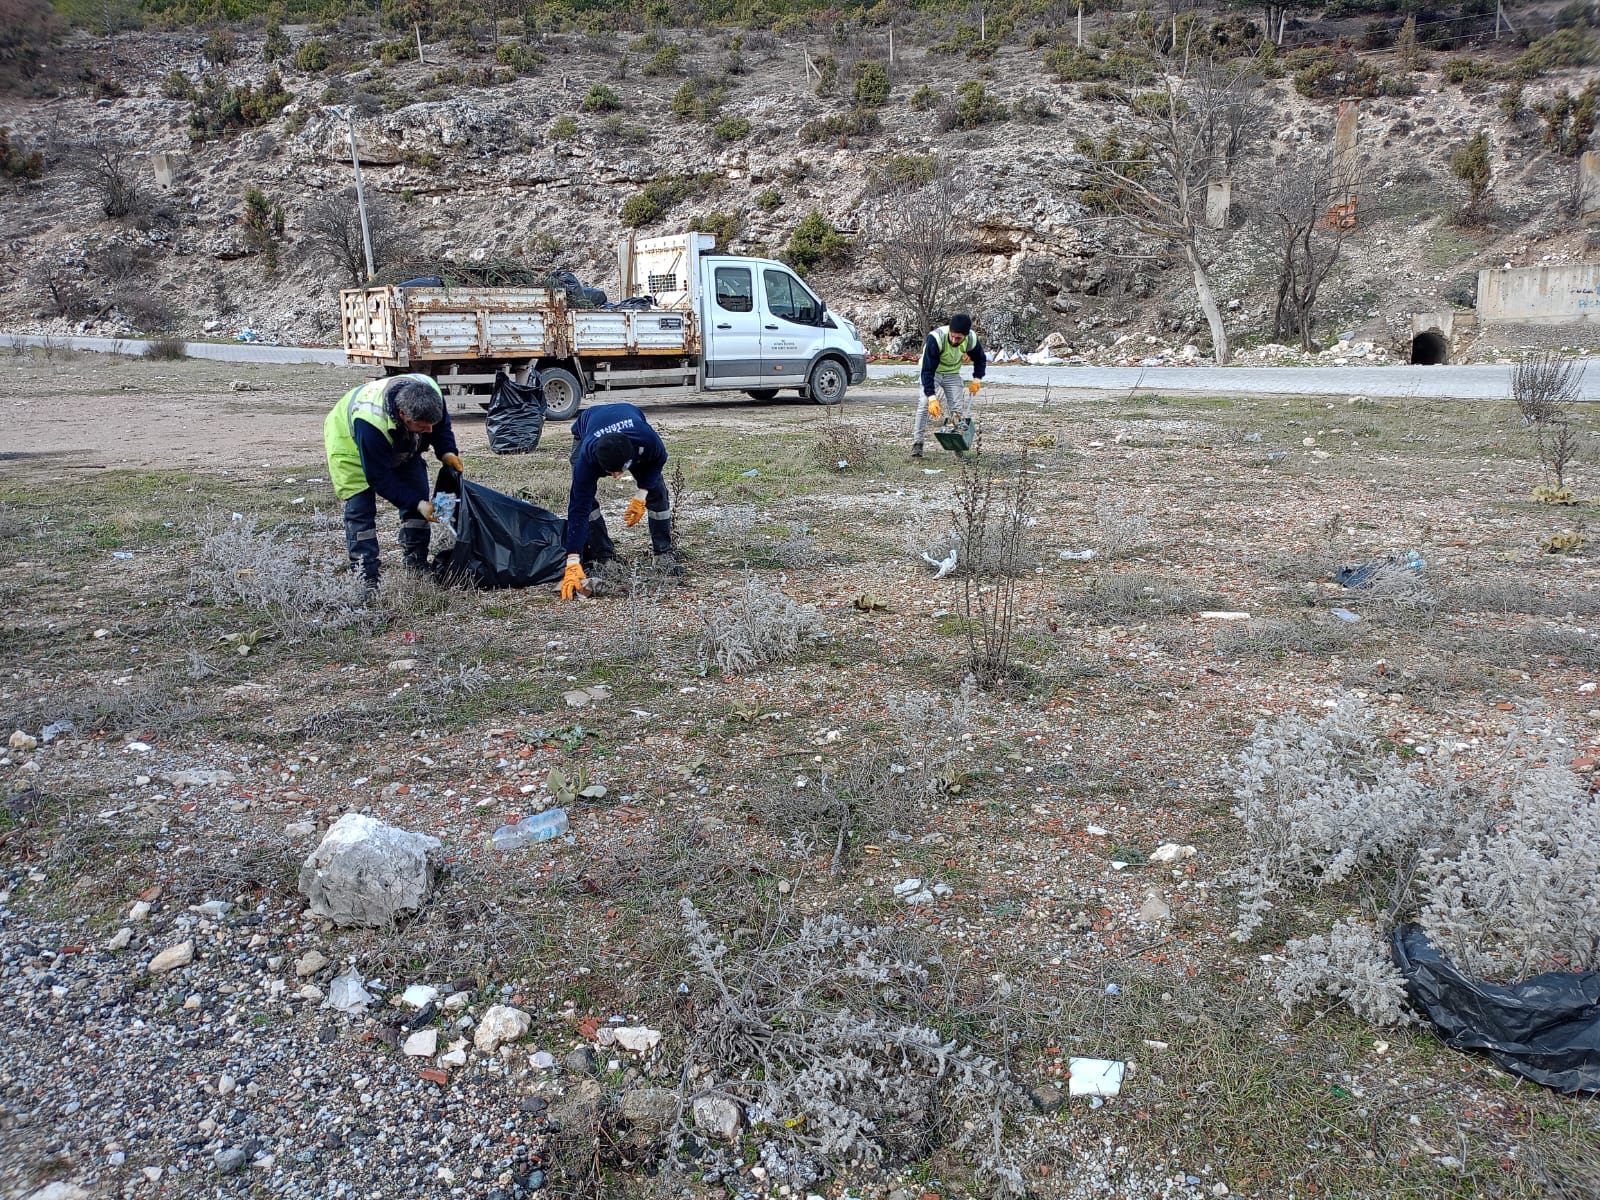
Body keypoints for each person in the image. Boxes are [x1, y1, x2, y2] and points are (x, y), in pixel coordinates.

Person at [323, 373, 463, 590]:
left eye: (431, 424)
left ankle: (416, 564)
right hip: (350, 447)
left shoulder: (431, 392)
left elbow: (441, 427)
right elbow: (379, 478)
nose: (430, 431)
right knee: (361, 511)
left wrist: (447, 452)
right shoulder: (370, 424)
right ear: (402, 415)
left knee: (417, 491)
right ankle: (365, 578)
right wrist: (417, 503)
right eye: (423, 426)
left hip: (403, 443)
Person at [559, 402, 678, 600]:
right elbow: (578, 507)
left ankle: (663, 553)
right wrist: (572, 559)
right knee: (587, 503)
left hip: (629, 416)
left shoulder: (645, 439)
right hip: (589, 424)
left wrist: (642, 493)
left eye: (619, 471)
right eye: (609, 472)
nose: (615, 476)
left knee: (657, 492)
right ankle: (604, 556)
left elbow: (659, 459)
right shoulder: (587, 457)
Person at [913, 312, 987, 459]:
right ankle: (917, 444)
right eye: (952, 336)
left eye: (958, 338)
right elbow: (927, 371)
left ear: (965, 336)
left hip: (952, 374)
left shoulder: (971, 339)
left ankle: (957, 445)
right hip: (933, 372)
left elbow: (980, 359)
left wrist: (977, 380)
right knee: (924, 404)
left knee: (957, 409)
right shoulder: (936, 339)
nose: (954, 340)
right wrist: (932, 398)